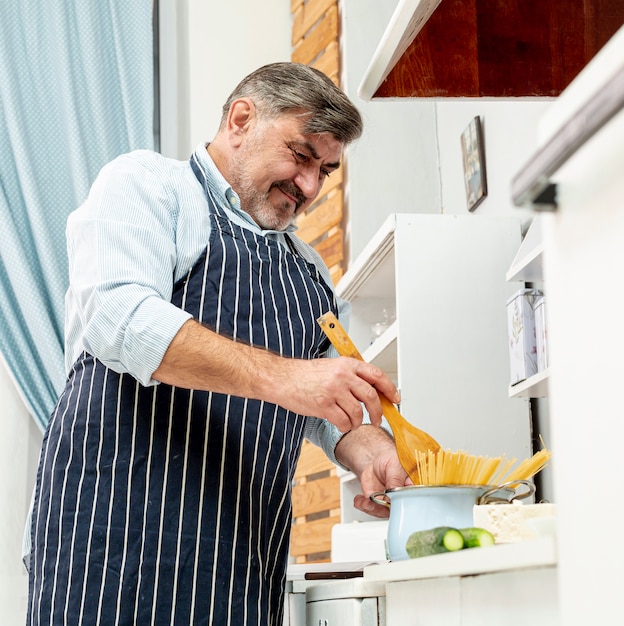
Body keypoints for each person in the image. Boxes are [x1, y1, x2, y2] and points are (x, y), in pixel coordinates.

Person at [27, 62, 409, 626]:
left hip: (240, 562)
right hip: (112, 547)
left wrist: (369, 445)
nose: (309, 187)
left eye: (325, 171)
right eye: (301, 156)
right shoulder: (149, 186)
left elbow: (336, 405)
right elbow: (119, 317)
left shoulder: (310, 275)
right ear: (240, 118)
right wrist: (287, 378)